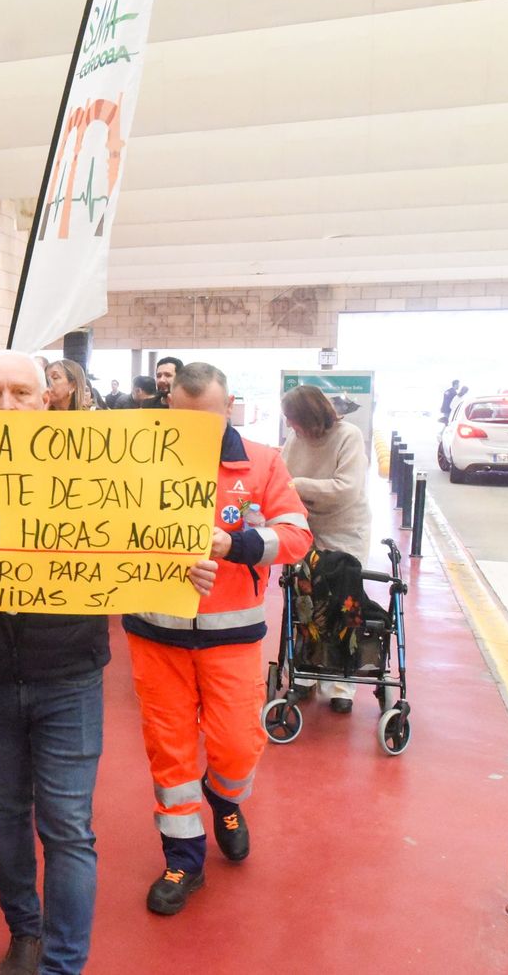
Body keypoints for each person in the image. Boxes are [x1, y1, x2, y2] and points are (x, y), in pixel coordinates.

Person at [0, 351, 216, 975]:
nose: (5, 405)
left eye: (19, 392)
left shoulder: (97, 463)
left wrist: (183, 564)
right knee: (2, 818)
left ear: (46, 398)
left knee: (69, 829)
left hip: (70, 678)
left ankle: (62, 964)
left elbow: (145, 541)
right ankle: (24, 931)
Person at [125, 362, 313, 916]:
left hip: (232, 639)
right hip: (155, 636)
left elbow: (298, 536)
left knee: (235, 747)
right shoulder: (139, 462)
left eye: (205, 420)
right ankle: (183, 858)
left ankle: (226, 799)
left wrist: (235, 545)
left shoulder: (262, 462)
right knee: (170, 752)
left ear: (228, 407)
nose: (194, 433)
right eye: (181, 420)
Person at [280, 385, 370, 712]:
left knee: (342, 604)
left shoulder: (349, 436)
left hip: (345, 529)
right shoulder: (296, 438)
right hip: (305, 527)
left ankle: (340, 685)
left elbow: (346, 489)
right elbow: (281, 474)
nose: (290, 426)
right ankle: (303, 674)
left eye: (294, 419)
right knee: (304, 598)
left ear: (311, 416)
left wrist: (297, 486)